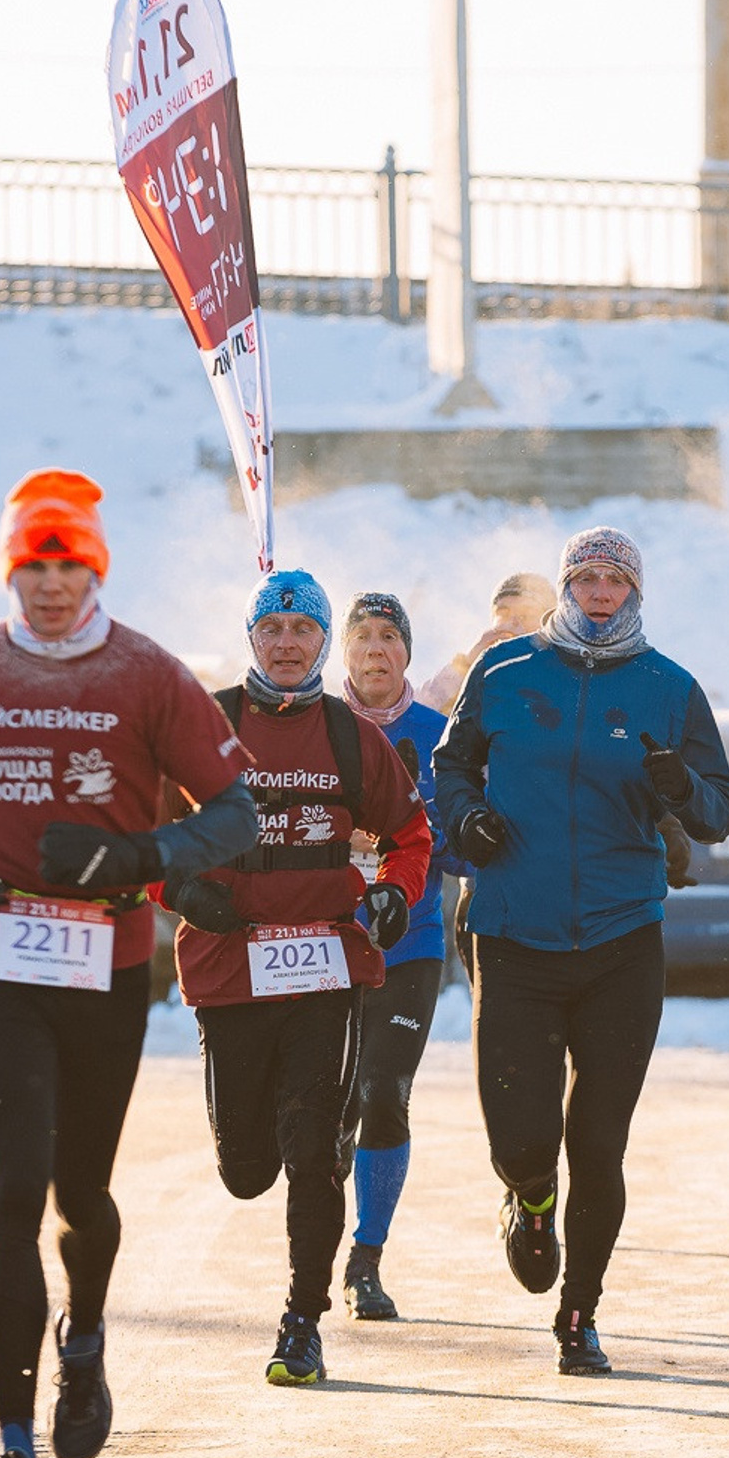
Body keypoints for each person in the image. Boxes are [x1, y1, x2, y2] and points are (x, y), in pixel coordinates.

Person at [0, 469, 259, 1458]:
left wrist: (138, 853)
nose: (50, 586)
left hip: (106, 957)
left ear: (94, 567)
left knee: (80, 1197)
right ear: (12, 568)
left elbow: (234, 813)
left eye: (69, 564)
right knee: (14, 1192)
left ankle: (85, 1335)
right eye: (32, 565)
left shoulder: (148, 674)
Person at [435, 527, 729, 1375]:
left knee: (598, 1141)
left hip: (620, 939)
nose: (601, 590)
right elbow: (449, 770)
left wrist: (681, 789)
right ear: (566, 587)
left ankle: (581, 1312)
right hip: (514, 934)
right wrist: (465, 821)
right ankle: (529, 1200)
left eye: (617, 578)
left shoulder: (669, 687)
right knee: (521, 1139)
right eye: (587, 576)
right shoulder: (504, 674)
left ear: (636, 592)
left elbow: (717, 808)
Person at [159, 569, 432, 1387]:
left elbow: (410, 835)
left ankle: (302, 1323)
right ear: (252, 638)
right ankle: (299, 1148)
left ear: (323, 642)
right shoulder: (204, 724)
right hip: (231, 967)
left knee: (313, 1155)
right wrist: (179, 889)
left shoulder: (350, 735)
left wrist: (392, 895)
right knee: (247, 1169)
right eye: (271, 629)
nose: (286, 643)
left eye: (303, 630)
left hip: (324, 965)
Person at [336, 589, 472, 1321]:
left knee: (382, 1094)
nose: (377, 649)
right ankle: (311, 1241)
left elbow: (457, 847)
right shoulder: (315, 728)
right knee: (324, 1102)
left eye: (391, 637)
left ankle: (366, 1257)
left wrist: (421, 838)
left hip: (409, 944)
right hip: (317, 942)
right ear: (344, 653)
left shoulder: (437, 734)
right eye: (364, 636)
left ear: (407, 655)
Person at [417, 571, 558, 714]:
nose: (513, 623)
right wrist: (466, 665)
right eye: (504, 614)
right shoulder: (476, 685)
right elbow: (410, 719)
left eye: (525, 615)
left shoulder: (564, 677)